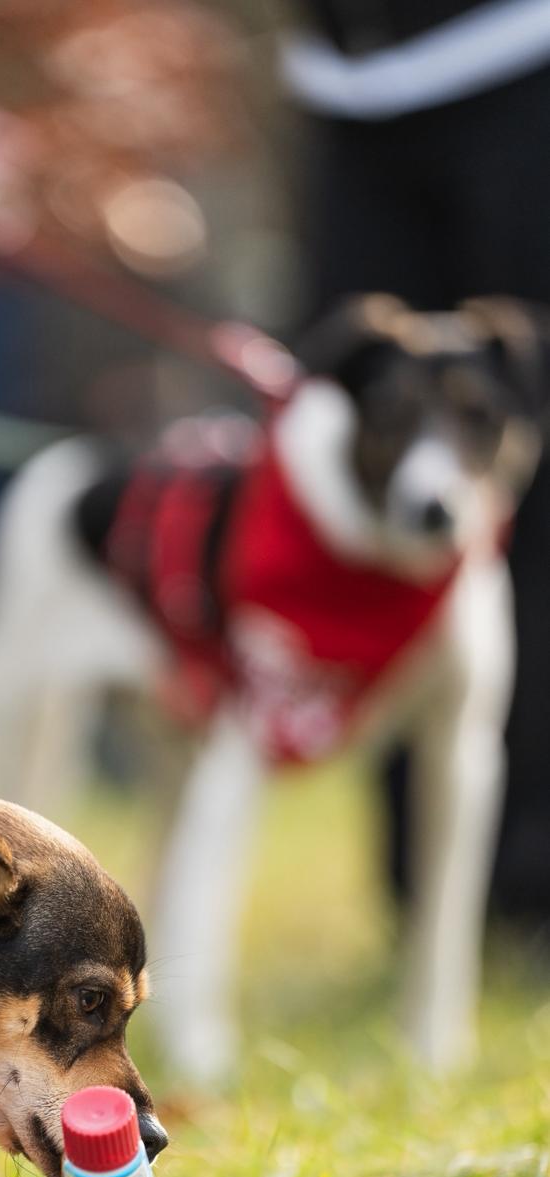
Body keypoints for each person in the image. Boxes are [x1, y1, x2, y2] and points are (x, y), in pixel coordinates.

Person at [283, 0, 550, 920]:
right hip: (346, 78)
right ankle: (426, 886)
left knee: (528, 482)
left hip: (523, 55)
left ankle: (528, 882)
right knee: (367, 486)